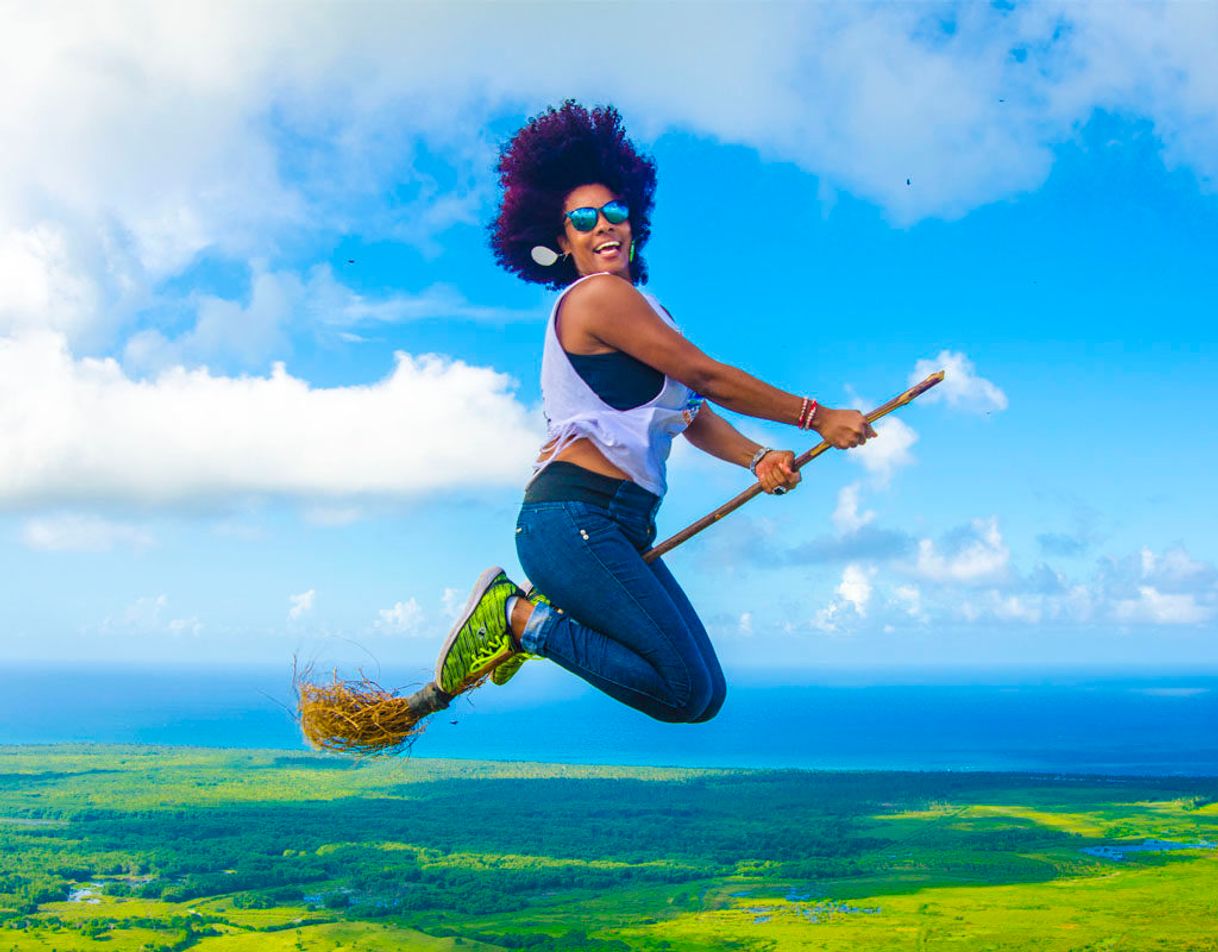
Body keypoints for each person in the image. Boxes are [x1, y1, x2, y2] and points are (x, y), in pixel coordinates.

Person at [434, 101, 874, 723]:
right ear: (561, 242)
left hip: (614, 524)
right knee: (682, 691)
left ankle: (532, 626)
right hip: (575, 518)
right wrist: (815, 414)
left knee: (705, 694)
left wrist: (757, 457)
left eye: (615, 211)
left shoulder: (643, 309)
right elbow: (705, 374)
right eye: (582, 219)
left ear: (633, 223)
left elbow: (688, 411)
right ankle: (517, 617)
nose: (603, 226)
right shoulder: (596, 298)